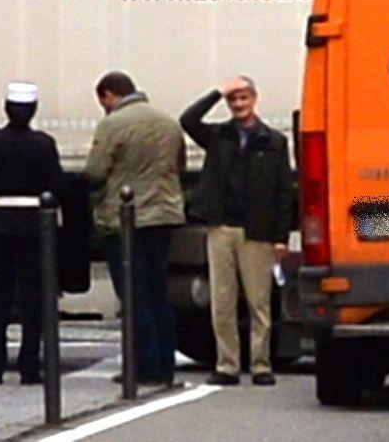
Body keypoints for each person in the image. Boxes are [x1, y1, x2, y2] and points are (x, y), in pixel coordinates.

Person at [180, 76, 297, 387]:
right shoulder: (219, 136)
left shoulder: (273, 142)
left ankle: (261, 364)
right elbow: (188, 120)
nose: (239, 105)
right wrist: (217, 92)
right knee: (223, 300)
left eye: (243, 98)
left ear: (254, 99)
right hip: (221, 226)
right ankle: (227, 364)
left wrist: (280, 236)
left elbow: (284, 192)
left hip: (256, 231)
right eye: (234, 100)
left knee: (258, 301)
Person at [87, 71, 185, 388]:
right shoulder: (168, 122)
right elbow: (179, 165)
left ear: (108, 95)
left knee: (133, 295)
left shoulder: (113, 124)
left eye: (103, 101)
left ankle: (143, 367)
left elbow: (95, 171)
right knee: (158, 292)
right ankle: (165, 365)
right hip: (163, 216)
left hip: (125, 219)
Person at [0, 81, 67, 385]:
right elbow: (57, 185)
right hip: (34, 224)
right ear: (33, 110)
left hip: (0, 221)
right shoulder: (44, 144)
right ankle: (29, 363)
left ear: (7, 109)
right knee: (33, 296)